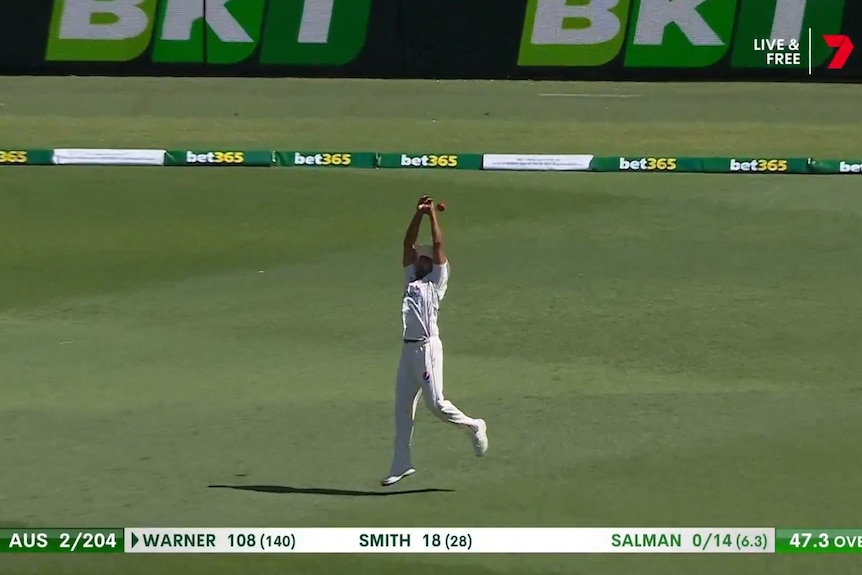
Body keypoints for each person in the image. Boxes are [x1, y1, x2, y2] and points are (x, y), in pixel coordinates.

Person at [381, 195, 488, 487]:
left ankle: (474, 425)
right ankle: (402, 463)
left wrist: (431, 216)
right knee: (402, 409)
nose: (422, 257)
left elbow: (438, 246)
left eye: (426, 257)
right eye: (421, 256)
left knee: (436, 404)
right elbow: (407, 244)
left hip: (427, 347)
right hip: (408, 350)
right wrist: (417, 214)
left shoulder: (437, 281)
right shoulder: (410, 277)